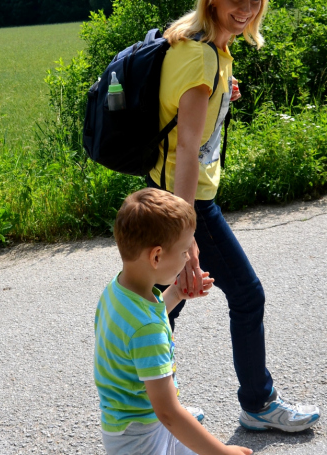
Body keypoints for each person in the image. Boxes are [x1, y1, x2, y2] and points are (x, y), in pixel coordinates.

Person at [148, 0, 321, 432]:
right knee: (245, 294)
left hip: (163, 191)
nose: (245, 9)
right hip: (187, 200)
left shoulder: (198, 45)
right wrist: (186, 233)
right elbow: (186, 148)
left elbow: (183, 116)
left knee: (165, 303)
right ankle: (259, 402)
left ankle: (156, 408)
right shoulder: (204, 59)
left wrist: (221, 95)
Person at [95, 188, 253, 455]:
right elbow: (169, 412)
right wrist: (223, 453)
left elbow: (142, 322)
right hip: (142, 439)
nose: (187, 260)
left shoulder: (119, 291)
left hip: (131, 425)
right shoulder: (148, 329)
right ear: (156, 256)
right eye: (183, 253)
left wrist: (177, 292)